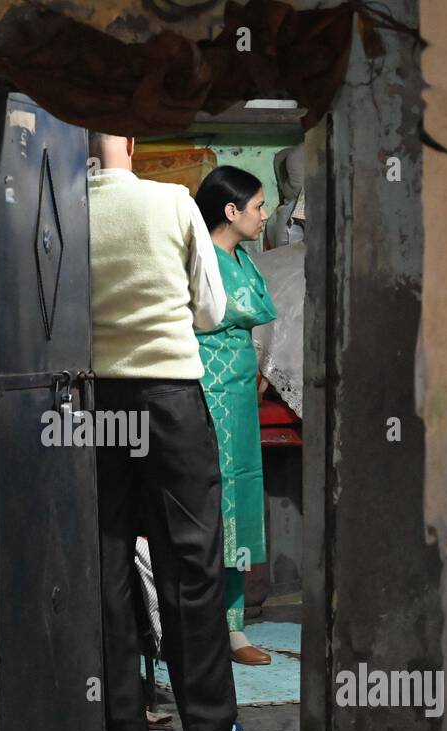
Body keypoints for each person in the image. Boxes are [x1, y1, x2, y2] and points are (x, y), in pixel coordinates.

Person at [87, 131, 244, 731]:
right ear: (131, 140)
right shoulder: (173, 201)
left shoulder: (62, 208)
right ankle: (207, 726)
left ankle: (122, 725)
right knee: (190, 560)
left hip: (92, 402)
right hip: (170, 399)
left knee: (105, 554)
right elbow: (210, 311)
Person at [193, 166, 279, 665]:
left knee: (241, 499)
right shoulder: (197, 256)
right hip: (203, 393)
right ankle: (194, 626)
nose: (264, 215)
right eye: (258, 206)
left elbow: (258, 315)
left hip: (240, 396)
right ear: (232, 211)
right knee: (205, 505)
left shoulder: (243, 259)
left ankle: (234, 628)